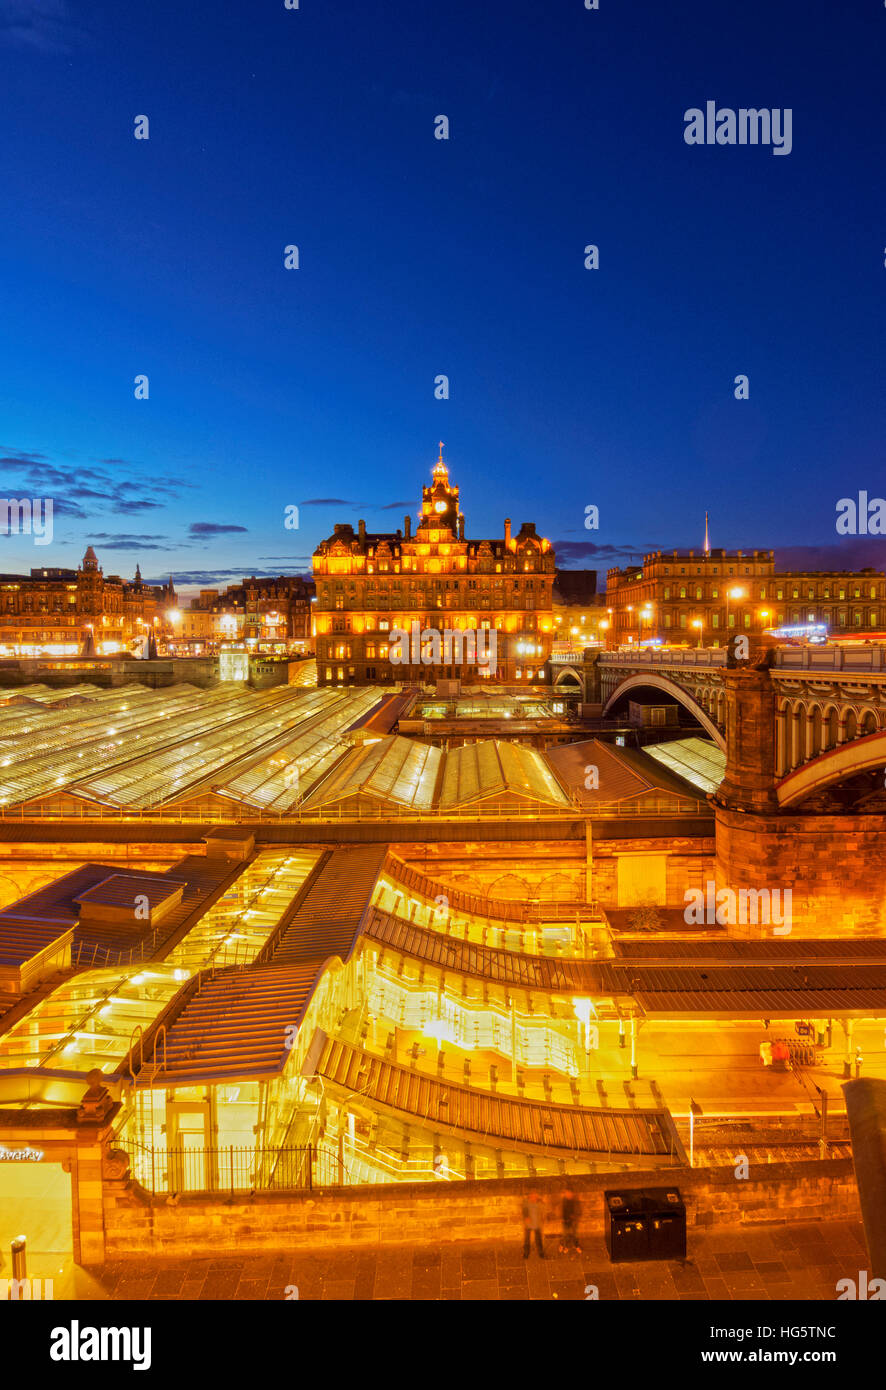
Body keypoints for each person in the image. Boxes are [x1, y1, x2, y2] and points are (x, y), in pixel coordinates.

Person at [522, 1192, 544, 1259]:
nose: (534, 1197)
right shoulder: (526, 1202)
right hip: (529, 1224)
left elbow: (543, 1210)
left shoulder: (539, 1203)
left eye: (535, 1196)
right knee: (527, 1240)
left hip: (536, 1223)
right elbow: (524, 1210)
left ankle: (541, 1253)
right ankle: (526, 1253)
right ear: (530, 1196)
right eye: (532, 1196)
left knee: (538, 1239)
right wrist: (526, 1217)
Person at [559, 1190, 582, 1254]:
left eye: (570, 1193)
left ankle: (576, 1246)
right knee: (565, 1234)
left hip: (573, 1221)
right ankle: (564, 1245)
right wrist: (561, 1218)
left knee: (574, 1234)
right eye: (567, 1193)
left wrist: (575, 1216)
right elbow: (561, 1210)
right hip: (565, 1220)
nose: (568, 1195)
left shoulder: (574, 1201)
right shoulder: (563, 1201)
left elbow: (578, 1210)